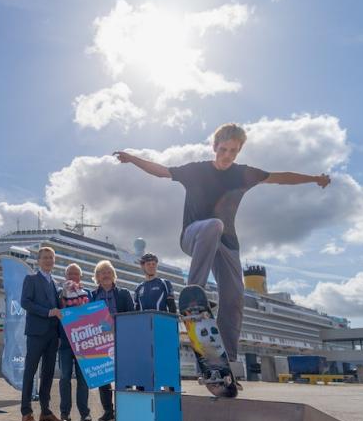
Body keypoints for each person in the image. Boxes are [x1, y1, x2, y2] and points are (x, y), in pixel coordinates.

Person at [114, 123, 331, 362]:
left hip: (226, 244)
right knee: (214, 224)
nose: (227, 155)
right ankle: (193, 294)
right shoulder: (195, 171)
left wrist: (314, 179)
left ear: (239, 151)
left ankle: (223, 359)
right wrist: (132, 159)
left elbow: (280, 178)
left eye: (233, 151)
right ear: (214, 146)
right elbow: (161, 171)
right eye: (224, 149)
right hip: (193, 236)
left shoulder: (243, 174)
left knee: (234, 296)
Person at [20, 247, 66, 421]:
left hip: (52, 335)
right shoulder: (31, 279)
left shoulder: (55, 284)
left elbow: (59, 309)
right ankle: (26, 412)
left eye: (51, 258)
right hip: (36, 332)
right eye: (45, 258)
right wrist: (47, 312)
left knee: (47, 373)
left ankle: (45, 412)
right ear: (38, 261)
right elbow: (25, 302)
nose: (48, 260)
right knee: (30, 372)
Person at [90, 260, 135, 421]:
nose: (106, 274)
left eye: (109, 271)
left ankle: (125, 408)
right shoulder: (93, 295)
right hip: (101, 341)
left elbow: (132, 316)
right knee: (104, 377)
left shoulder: (123, 293)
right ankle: (108, 411)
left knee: (125, 375)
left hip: (121, 338)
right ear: (97, 277)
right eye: (102, 272)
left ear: (113, 275)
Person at [57, 263, 91, 421]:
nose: (72, 277)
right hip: (64, 341)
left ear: (80, 277)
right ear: (65, 276)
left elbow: (93, 317)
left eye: (75, 274)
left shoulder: (87, 294)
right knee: (64, 377)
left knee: (83, 379)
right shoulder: (59, 293)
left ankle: (85, 413)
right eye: (70, 274)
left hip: (83, 343)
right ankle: (65, 413)